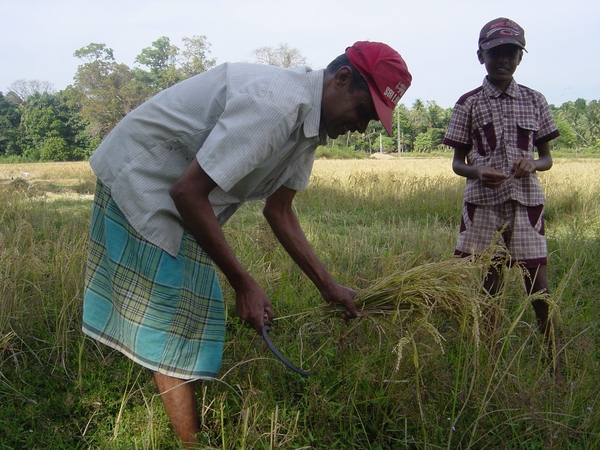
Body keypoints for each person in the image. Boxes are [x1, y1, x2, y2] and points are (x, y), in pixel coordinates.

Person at [82, 41, 412, 447]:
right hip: (142, 179)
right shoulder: (275, 106)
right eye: (363, 112)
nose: (361, 128)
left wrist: (329, 287)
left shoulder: (310, 125)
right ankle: (192, 444)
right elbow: (188, 192)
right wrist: (243, 282)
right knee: (174, 320)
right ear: (342, 79)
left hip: (177, 193)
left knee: (193, 311)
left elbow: (280, 210)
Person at [443, 18, 562, 382]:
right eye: (495, 53)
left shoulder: (534, 100)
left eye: (511, 52)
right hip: (484, 207)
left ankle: (556, 368)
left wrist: (533, 163)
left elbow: (547, 158)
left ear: (520, 58)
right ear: (481, 56)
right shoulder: (468, 103)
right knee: (489, 290)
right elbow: (457, 164)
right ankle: (487, 368)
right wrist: (479, 172)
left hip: (525, 205)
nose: (503, 60)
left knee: (538, 289)